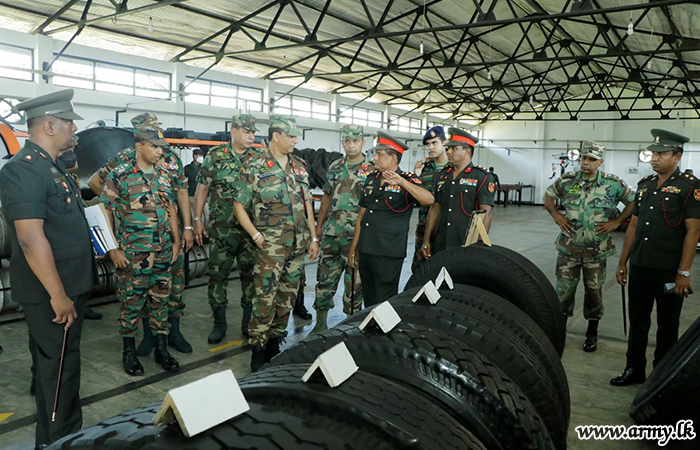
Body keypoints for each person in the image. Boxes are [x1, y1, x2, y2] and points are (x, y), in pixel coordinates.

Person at [0, 89, 95, 449]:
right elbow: (29, 238)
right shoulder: (23, 170)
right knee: (59, 373)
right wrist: (58, 295)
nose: (74, 128)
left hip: (67, 286)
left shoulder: (52, 166)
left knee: (58, 368)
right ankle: (60, 441)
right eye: (70, 122)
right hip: (53, 293)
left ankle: (55, 437)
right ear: (50, 125)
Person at [88, 113, 193, 355]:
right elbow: (100, 191)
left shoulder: (169, 163)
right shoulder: (123, 165)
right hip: (137, 245)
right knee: (134, 296)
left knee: (169, 289)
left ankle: (168, 337)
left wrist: (185, 229)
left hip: (166, 240)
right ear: (138, 139)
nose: (159, 148)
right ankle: (143, 340)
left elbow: (179, 195)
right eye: (151, 138)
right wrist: (124, 211)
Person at [611, 129, 700, 386]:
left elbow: (693, 231)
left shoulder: (690, 187)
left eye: (661, 154)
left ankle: (661, 376)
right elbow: (633, 227)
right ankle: (634, 369)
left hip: (669, 270)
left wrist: (683, 273)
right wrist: (622, 262)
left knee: (667, 326)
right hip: (640, 266)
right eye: (653, 153)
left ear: (677, 156)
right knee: (638, 322)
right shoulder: (645, 185)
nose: (655, 158)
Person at [233, 115, 320, 372]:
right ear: (276, 135)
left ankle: (274, 344)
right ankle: (258, 349)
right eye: (291, 136)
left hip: (297, 246)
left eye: (296, 136)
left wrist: (314, 238)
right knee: (264, 298)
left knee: (286, 298)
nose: (295, 140)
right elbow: (239, 206)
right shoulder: (254, 165)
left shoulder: (300, 165)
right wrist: (256, 235)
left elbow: (307, 205)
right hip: (269, 247)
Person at [101, 119, 181, 376]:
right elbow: (104, 210)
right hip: (133, 254)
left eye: (162, 146)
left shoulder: (165, 175)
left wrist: (177, 239)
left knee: (160, 301)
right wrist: (113, 248)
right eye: (155, 146)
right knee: (131, 303)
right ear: (138, 145)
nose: (160, 151)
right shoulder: (120, 175)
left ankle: (161, 349)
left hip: (163, 251)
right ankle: (129, 352)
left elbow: (171, 210)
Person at [543, 141, 635, 353]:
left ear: (600, 162)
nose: (586, 163)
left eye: (592, 159)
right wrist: (556, 215)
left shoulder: (612, 184)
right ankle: (561, 332)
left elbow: (632, 201)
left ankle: (591, 333)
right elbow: (548, 195)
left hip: (596, 250)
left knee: (594, 293)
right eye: (584, 158)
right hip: (569, 249)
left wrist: (617, 222)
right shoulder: (567, 181)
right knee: (563, 293)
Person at [193, 114, 260, 343]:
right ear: (233, 131)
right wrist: (197, 219)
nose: (251, 136)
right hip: (222, 229)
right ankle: (219, 323)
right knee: (217, 276)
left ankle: (247, 321)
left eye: (253, 132)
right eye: (246, 131)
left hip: (250, 232)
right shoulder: (215, 156)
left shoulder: (260, 158)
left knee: (250, 276)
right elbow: (202, 189)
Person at [348, 131, 434, 307]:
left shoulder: (407, 180)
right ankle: (370, 331)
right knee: (369, 296)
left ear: (393, 158)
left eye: (379, 154)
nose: (375, 158)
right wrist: (354, 248)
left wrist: (402, 182)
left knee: (385, 299)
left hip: (388, 252)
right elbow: (362, 215)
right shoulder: (371, 179)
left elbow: (429, 199)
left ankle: (384, 332)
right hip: (366, 248)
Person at [311, 125, 373, 333]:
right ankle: (320, 322)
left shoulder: (371, 170)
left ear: (362, 143)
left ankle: (351, 324)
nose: (351, 145)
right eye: (347, 141)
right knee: (325, 278)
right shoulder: (336, 166)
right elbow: (327, 195)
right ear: (343, 142)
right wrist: (319, 225)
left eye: (355, 141)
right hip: (331, 234)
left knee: (354, 284)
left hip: (356, 236)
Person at [422, 128, 495, 258]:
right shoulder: (442, 176)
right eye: (448, 148)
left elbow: (486, 213)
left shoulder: (482, 177)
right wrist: (426, 240)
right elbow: (435, 209)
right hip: (441, 242)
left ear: (466, 151)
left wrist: (479, 244)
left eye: (453, 148)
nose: (448, 152)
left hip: (466, 242)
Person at [411, 126, 449, 271]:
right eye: (428, 144)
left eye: (434, 143)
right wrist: (416, 176)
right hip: (424, 228)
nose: (430, 147)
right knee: (419, 270)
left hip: (445, 230)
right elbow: (415, 199)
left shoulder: (454, 168)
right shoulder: (425, 168)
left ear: (444, 143)